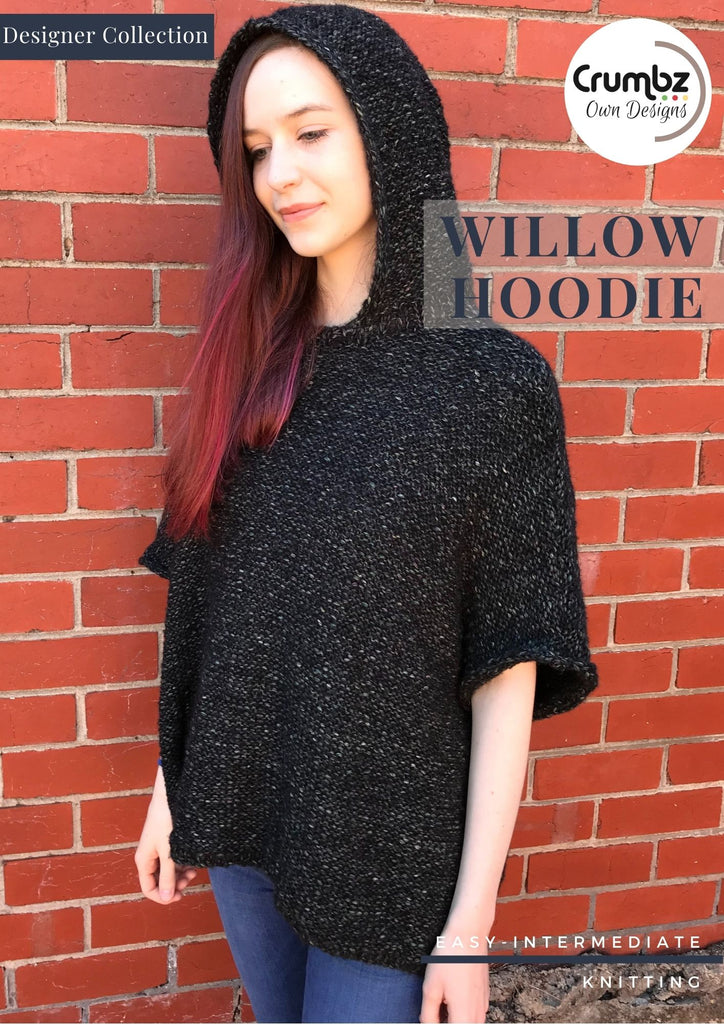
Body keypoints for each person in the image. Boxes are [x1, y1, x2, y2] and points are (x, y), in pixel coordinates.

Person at [134, 5, 600, 1023]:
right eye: (257, 149)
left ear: (390, 134)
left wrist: (468, 929)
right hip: (245, 818)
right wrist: (172, 789)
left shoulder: (491, 387)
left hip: (393, 860)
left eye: (310, 132)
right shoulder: (248, 367)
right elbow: (204, 597)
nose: (280, 175)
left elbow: (507, 666)